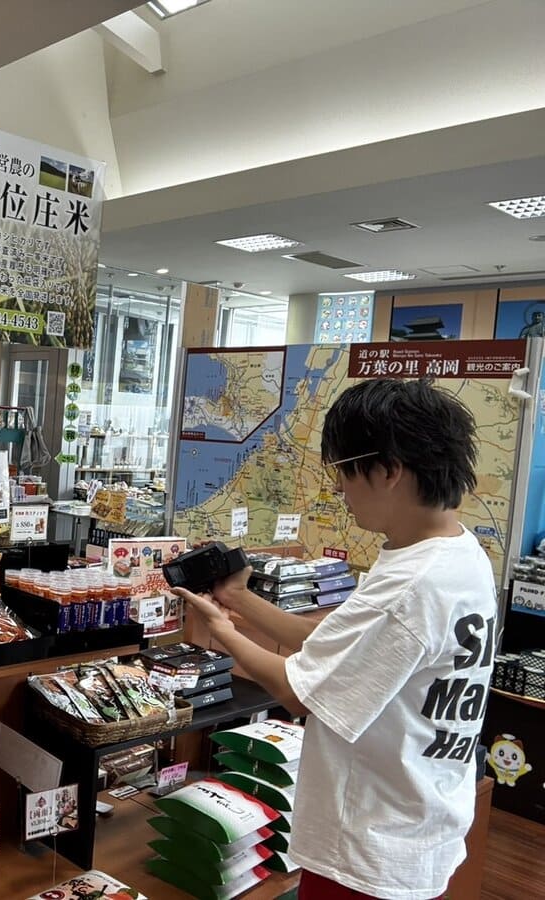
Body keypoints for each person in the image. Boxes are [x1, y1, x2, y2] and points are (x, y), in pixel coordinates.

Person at [173, 378, 496, 900]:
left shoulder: (411, 586)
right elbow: (328, 640)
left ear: (388, 470)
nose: (339, 490)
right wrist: (237, 599)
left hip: (368, 849)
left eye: (344, 472)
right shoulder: (459, 553)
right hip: (419, 820)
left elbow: (298, 692)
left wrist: (220, 631)